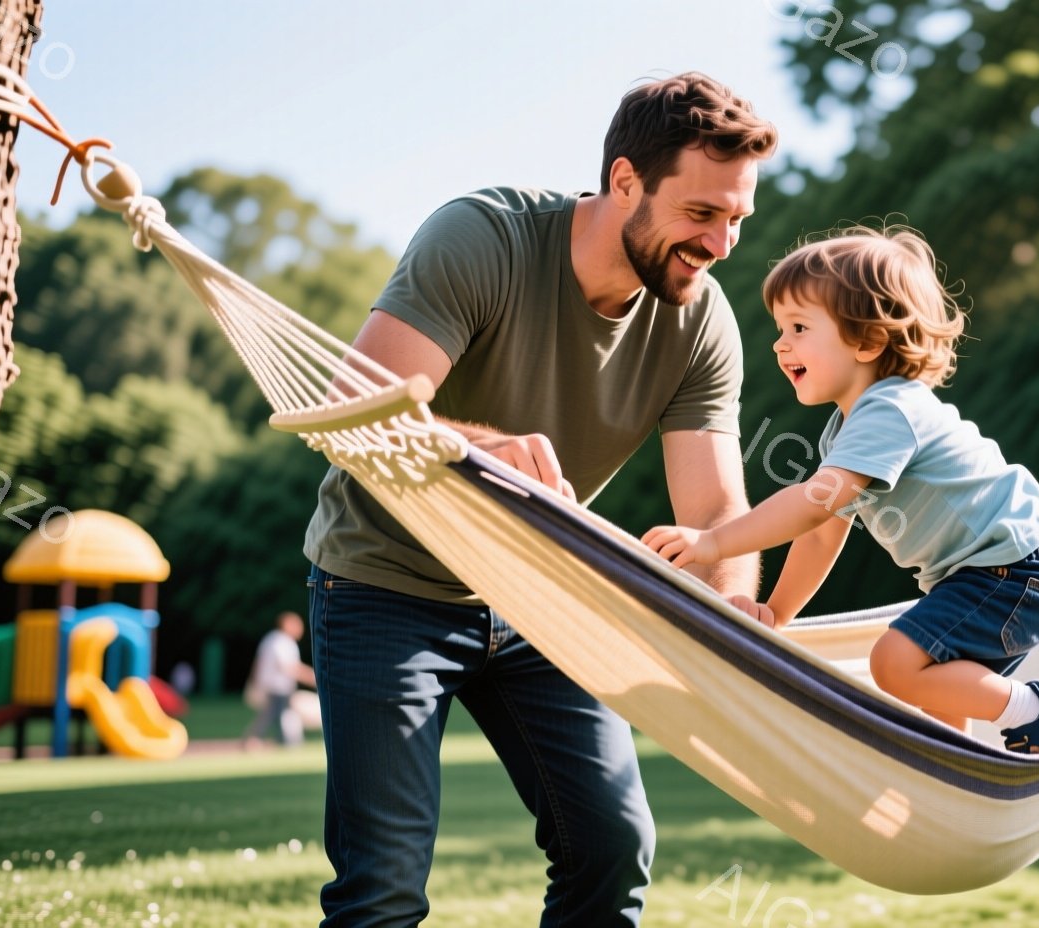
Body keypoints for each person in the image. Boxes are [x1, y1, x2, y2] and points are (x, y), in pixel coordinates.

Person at [302, 73, 775, 926]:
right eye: (703, 213)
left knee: (611, 848)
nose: (722, 243)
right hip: (384, 584)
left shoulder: (699, 322)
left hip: (536, 598)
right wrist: (485, 453)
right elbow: (351, 416)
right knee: (384, 887)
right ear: (625, 180)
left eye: (737, 218)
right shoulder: (483, 239)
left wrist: (739, 628)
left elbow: (716, 517)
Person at [643, 225, 1039, 755]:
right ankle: (960, 777)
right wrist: (778, 612)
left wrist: (713, 544)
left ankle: (1035, 709)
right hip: (991, 574)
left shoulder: (890, 409)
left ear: (868, 341)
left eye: (799, 327)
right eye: (779, 328)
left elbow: (810, 505)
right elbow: (824, 533)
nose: (781, 344)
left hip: (1012, 571)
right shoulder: (847, 430)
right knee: (937, 698)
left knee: (894, 663)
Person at [243, 611, 317, 749]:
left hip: (270, 685)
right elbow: (289, 666)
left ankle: (276, 739)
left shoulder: (272, 639)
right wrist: (312, 677)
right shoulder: (281, 641)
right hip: (276, 686)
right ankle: (261, 739)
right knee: (276, 712)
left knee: (275, 712)